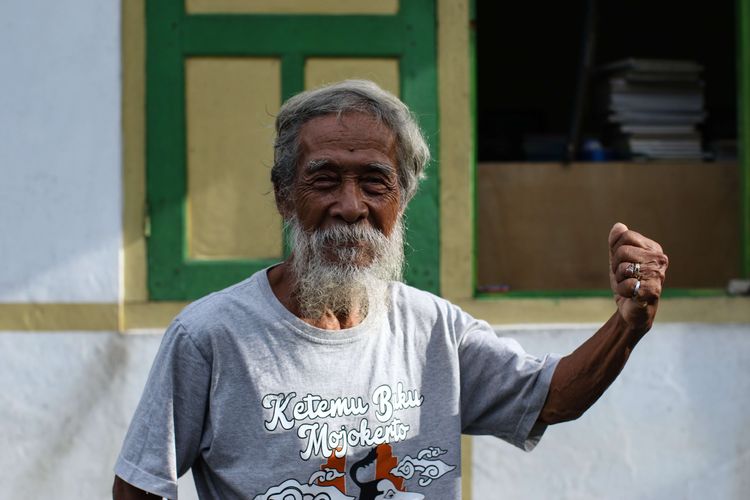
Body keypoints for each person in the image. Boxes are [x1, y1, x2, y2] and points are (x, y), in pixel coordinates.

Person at [113, 80, 668, 499]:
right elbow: (139, 486)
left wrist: (628, 323)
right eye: (324, 180)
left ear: (400, 200)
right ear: (284, 197)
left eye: (374, 183)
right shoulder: (211, 335)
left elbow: (552, 397)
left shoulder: (435, 330)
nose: (351, 207)